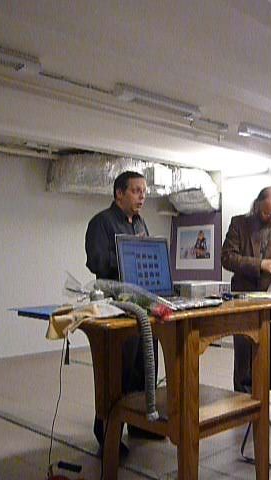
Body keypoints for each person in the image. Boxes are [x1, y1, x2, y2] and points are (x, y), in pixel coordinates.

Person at [85, 170, 161, 444]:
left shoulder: (140, 222)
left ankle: (141, 423)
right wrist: (129, 256)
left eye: (144, 192)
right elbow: (96, 261)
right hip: (116, 308)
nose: (142, 197)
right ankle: (107, 434)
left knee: (145, 368)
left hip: (141, 305)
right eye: (136, 191)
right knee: (119, 372)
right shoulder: (101, 222)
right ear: (119, 193)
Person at [221, 186, 271, 434]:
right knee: (244, 359)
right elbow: (227, 258)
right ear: (257, 207)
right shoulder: (239, 224)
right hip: (244, 302)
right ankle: (244, 412)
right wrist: (260, 264)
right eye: (268, 214)